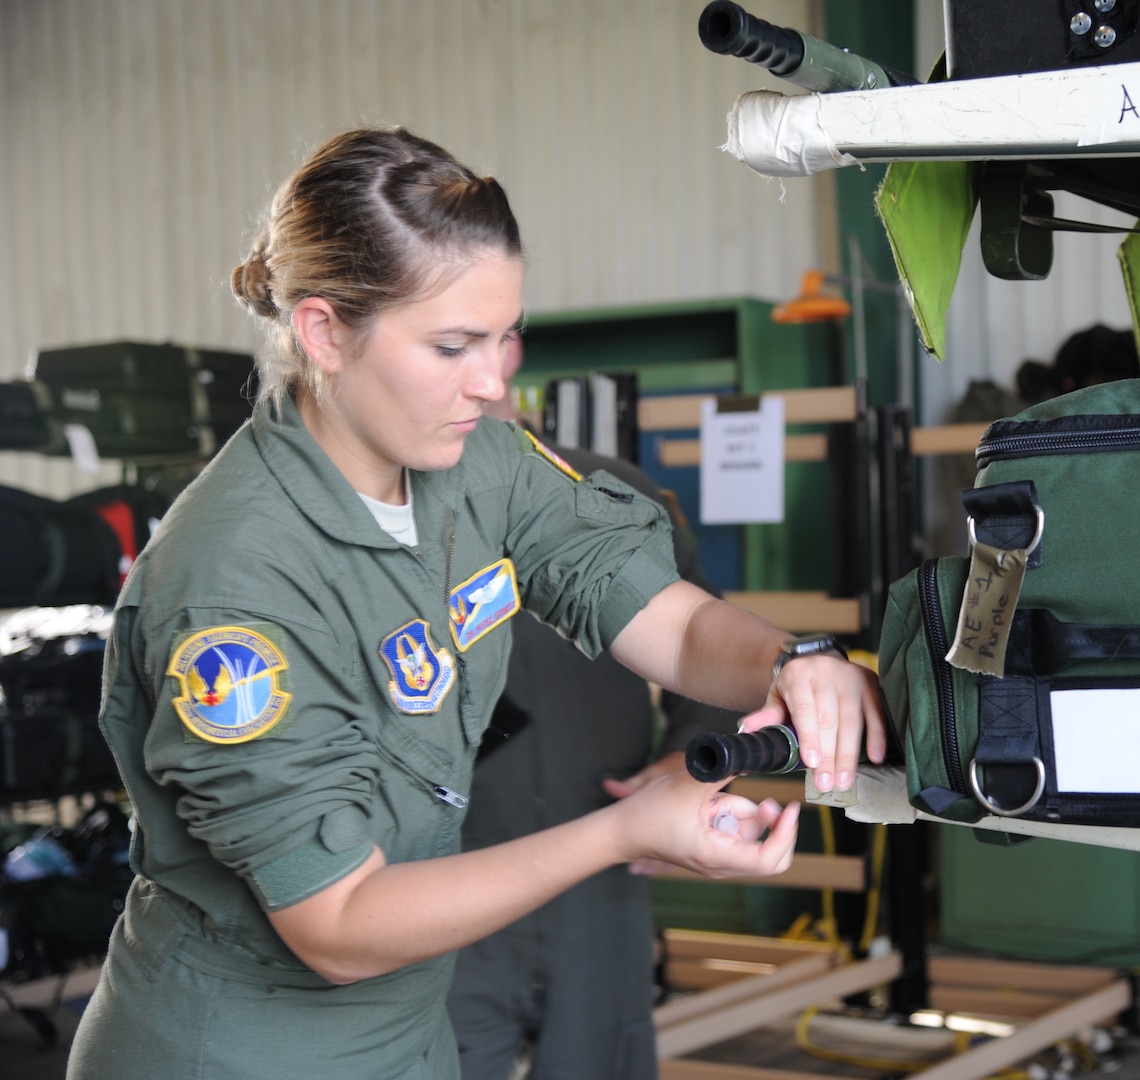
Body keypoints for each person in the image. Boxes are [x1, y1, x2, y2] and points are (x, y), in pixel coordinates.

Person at [65, 126, 886, 1080]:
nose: (495, 382)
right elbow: (337, 923)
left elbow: (657, 609)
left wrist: (793, 662)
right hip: (242, 1048)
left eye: (503, 337)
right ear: (324, 332)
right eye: (452, 345)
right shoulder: (237, 588)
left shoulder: (474, 463)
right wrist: (623, 830)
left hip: (408, 1034)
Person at [447, 343, 741, 1080]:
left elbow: (704, 651)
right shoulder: (389, 514)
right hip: (447, 878)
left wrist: (689, 759)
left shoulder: (612, 492)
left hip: (602, 865)